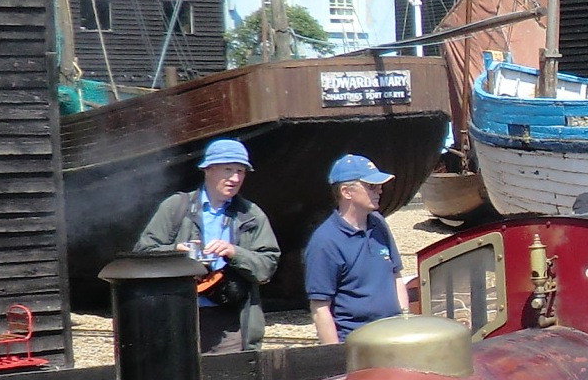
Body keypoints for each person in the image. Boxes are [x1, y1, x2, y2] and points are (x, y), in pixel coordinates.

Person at [135, 136, 280, 352]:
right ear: (208, 169)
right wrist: (175, 253)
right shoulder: (176, 207)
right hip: (178, 317)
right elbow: (142, 255)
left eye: (240, 171)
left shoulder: (251, 215)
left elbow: (267, 265)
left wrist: (234, 252)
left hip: (229, 319)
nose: (235, 178)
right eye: (228, 169)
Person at [305, 154, 406, 344]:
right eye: (371, 186)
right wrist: (335, 357)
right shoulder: (325, 241)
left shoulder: (378, 223)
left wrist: (405, 320)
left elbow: (396, 275)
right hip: (358, 343)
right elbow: (320, 308)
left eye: (380, 186)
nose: (380, 191)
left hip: (394, 337)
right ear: (346, 192)